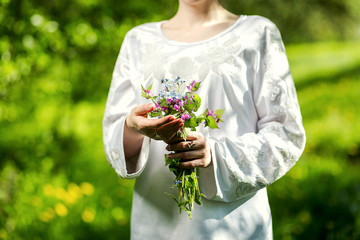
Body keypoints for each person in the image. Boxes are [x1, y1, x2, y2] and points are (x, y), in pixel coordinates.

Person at [102, 0, 306, 239]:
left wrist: (215, 156)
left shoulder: (257, 32)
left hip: (233, 224)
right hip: (156, 220)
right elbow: (115, 130)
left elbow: (286, 133)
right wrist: (132, 127)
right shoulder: (138, 40)